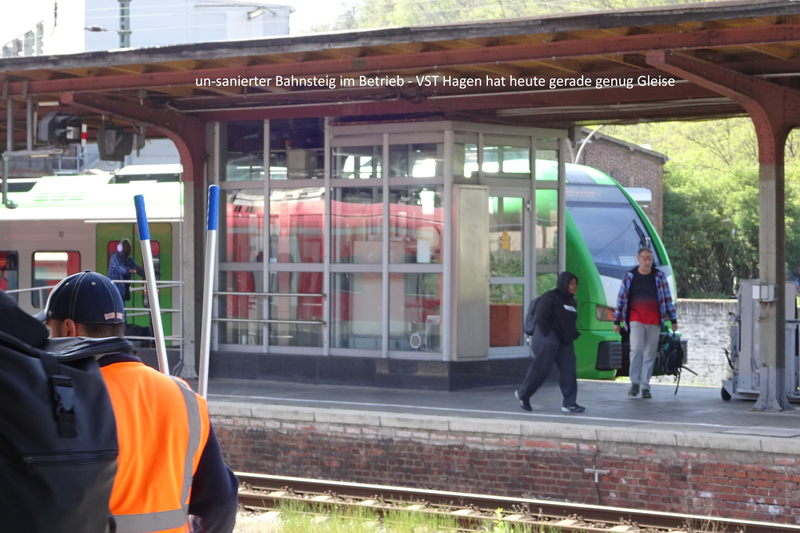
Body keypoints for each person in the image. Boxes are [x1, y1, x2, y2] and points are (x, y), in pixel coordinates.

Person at [42, 270, 238, 533]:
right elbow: (222, 504)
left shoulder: (66, 401)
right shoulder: (185, 397)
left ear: (69, 330)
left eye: (50, 331)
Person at [515, 271, 585, 413]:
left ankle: (569, 403)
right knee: (542, 370)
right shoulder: (551, 297)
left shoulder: (572, 301)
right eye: (571, 283)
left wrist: (569, 335)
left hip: (564, 340)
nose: (574, 286)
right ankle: (523, 395)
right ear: (564, 283)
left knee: (569, 370)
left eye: (575, 283)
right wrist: (548, 336)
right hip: (547, 338)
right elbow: (541, 318)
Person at [613, 247, 678, 399]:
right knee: (636, 349)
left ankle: (645, 386)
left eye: (650, 258)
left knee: (650, 353)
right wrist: (617, 321)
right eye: (644, 258)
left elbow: (667, 299)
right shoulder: (629, 276)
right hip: (635, 319)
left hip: (655, 320)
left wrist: (673, 320)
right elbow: (621, 299)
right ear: (638, 258)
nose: (647, 261)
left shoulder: (659, 276)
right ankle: (634, 383)